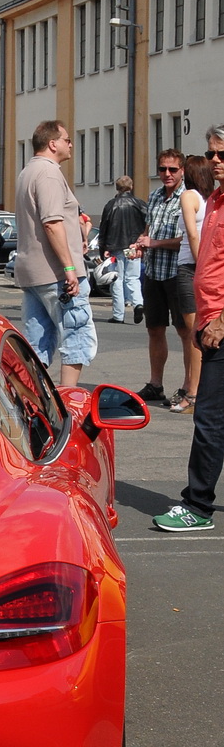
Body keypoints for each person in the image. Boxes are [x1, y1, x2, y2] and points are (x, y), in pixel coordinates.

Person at [153, 125, 224, 531]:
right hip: (209, 316)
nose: (215, 160)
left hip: (220, 323)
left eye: (223, 155)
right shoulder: (213, 199)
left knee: (210, 417)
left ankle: (197, 506)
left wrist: (219, 320)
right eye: (211, 153)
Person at [13, 120, 96, 387]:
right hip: (56, 272)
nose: (70, 144)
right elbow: (52, 222)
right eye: (67, 139)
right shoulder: (48, 173)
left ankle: (29, 401)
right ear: (53, 143)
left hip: (33, 272)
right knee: (77, 335)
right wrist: (70, 268)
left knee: (37, 344)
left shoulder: (28, 171)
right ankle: (68, 402)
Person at [137, 148, 191, 409]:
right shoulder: (156, 195)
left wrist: (155, 243)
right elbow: (149, 229)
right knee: (155, 329)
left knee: (185, 332)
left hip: (176, 273)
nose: (167, 174)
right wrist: (141, 243)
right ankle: (156, 384)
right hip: (153, 271)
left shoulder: (188, 198)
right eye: (162, 169)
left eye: (172, 169)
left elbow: (188, 240)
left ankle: (189, 387)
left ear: (182, 171)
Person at [170, 154, 216, 413]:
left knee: (193, 335)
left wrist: (201, 268)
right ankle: (194, 389)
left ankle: (194, 394)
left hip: (190, 267)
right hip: (198, 265)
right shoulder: (210, 199)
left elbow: (191, 234)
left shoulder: (188, 196)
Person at [98, 176, 147, 326]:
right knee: (133, 277)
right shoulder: (139, 204)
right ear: (131, 187)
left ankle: (118, 315)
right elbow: (147, 223)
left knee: (117, 280)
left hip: (116, 247)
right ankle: (138, 303)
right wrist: (141, 243)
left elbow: (104, 227)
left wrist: (103, 247)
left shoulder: (111, 205)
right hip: (132, 246)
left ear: (117, 188)